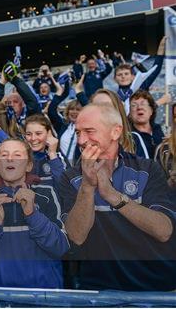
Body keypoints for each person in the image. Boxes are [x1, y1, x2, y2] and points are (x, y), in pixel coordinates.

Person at [60, 102, 176, 291]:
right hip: (100, 290)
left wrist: (112, 195)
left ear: (115, 132)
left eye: (89, 131)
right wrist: (88, 188)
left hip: (156, 286)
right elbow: (76, 237)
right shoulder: (70, 178)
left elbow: (164, 231)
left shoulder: (147, 169)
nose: (81, 141)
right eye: (78, 133)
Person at [0, 139, 69, 288]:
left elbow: (60, 248)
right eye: (4, 155)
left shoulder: (46, 193)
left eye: (17, 155)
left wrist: (32, 215)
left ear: (29, 165)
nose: (10, 159)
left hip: (44, 295)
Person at [128, 90, 164, 159]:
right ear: (130, 114)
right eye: (134, 105)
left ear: (151, 111)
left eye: (143, 104)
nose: (139, 108)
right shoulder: (128, 138)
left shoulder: (159, 130)